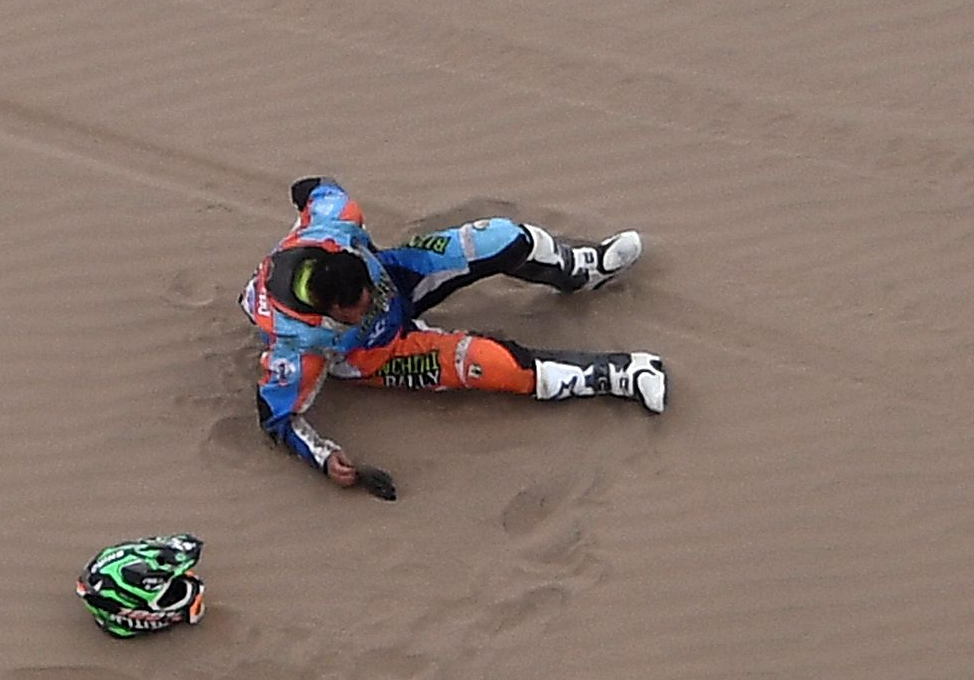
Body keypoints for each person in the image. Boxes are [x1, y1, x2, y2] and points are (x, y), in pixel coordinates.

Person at [249, 178, 664, 500]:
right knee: (492, 364)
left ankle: (582, 270)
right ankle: (621, 375)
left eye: (367, 293)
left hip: (397, 273)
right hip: (378, 352)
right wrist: (323, 458)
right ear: (334, 311)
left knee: (500, 237)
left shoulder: (335, 224)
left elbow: (313, 188)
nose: (369, 302)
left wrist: (308, 193)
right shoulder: (296, 348)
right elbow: (276, 417)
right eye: (360, 305)